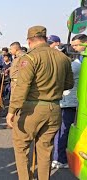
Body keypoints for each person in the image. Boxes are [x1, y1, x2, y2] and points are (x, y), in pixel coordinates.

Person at [6, 25, 74, 180]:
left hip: (32, 108)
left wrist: (11, 111)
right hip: (54, 108)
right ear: (45, 38)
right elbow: (69, 84)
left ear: (29, 41)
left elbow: (22, 87)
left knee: (22, 148)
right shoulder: (63, 58)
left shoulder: (29, 57)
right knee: (45, 150)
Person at [52, 34, 84, 169]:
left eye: (76, 45)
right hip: (68, 103)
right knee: (63, 131)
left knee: (63, 131)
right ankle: (59, 158)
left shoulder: (78, 62)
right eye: (73, 46)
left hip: (70, 102)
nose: (74, 48)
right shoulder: (76, 65)